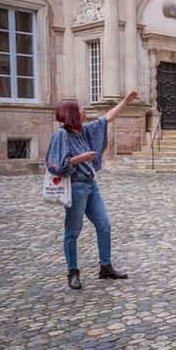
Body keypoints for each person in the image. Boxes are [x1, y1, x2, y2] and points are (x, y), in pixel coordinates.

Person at [45, 90, 138, 290]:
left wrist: (125, 101)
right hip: (76, 186)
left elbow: (107, 118)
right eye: (80, 108)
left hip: (91, 184)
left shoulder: (84, 131)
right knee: (73, 231)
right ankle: (73, 272)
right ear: (71, 114)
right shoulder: (61, 134)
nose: (84, 109)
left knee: (104, 224)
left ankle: (106, 267)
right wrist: (81, 158)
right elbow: (54, 164)